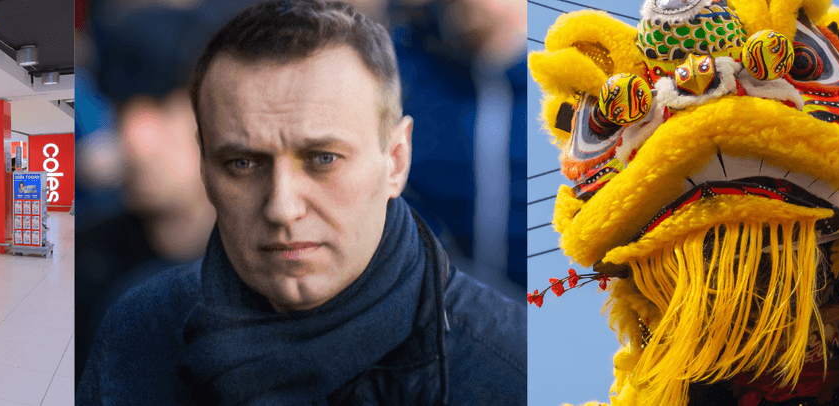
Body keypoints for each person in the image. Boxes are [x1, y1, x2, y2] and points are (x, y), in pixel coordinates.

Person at [76, 1, 525, 404]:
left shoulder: (509, 368)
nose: (282, 207)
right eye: (243, 164)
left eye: (323, 159)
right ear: (205, 163)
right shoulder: (137, 337)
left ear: (396, 160)